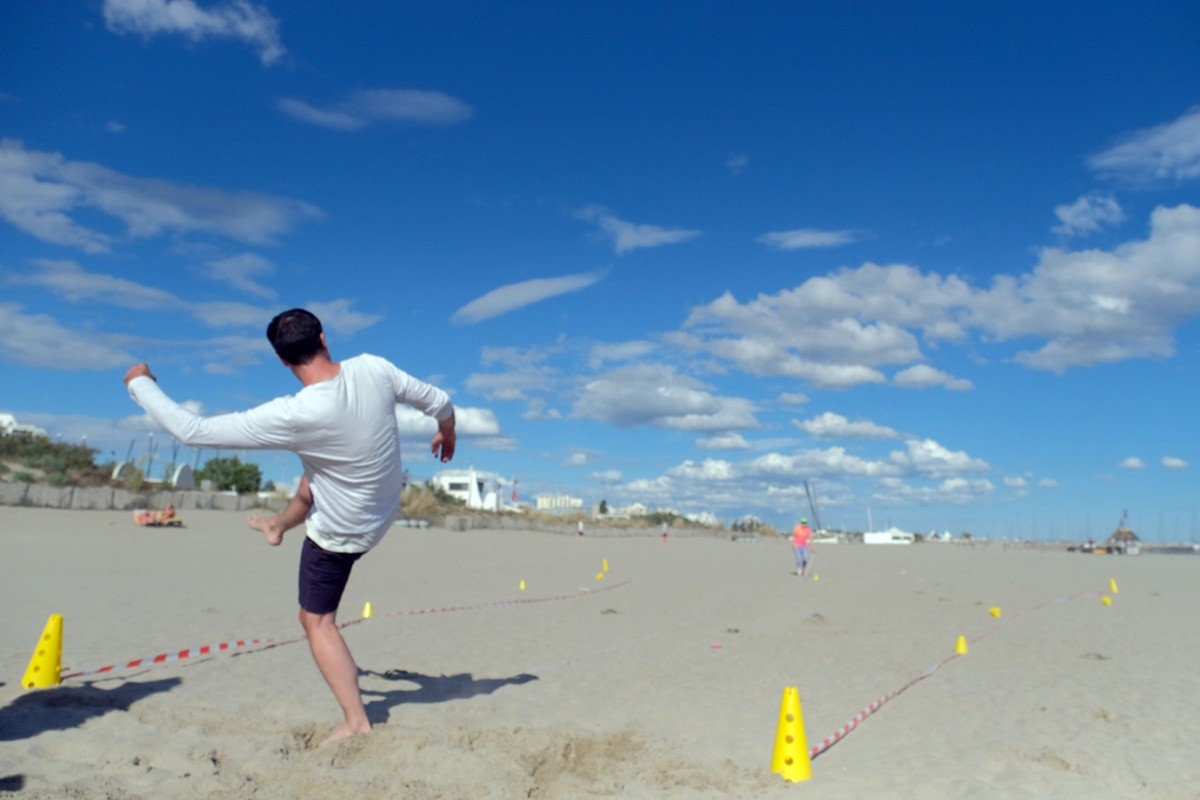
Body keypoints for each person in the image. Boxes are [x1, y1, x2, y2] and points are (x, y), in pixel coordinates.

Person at [124, 308, 456, 746]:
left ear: (282, 361)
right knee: (312, 476)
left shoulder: (296, 414)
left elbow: (192, 430)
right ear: (323, 336)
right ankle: (278, 526)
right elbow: (441, 402)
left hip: (344, 532)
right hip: (385, 503)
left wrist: (139, 383)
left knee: (315, 620)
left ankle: (356, 720)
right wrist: (446, 433)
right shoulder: (374, 368)